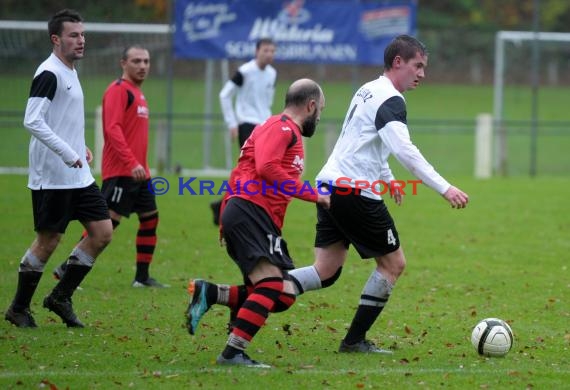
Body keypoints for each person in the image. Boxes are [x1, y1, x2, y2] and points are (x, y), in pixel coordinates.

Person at [287, 35, 470, 353]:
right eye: (418, 66)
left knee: (325, 270)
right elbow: (406, 151)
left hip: (329, 185)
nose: (422, 74)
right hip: (353, 191)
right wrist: (445, 187)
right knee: (393, 264)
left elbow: (366, 139)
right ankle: (354, 341)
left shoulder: (369, 89)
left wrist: (386, 177)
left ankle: (249, 294)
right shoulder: (391, 99)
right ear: (398, 62)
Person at [186, 79, 329, 368]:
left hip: (253, 214)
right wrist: (315, 196)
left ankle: (211, 293)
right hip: (251, 211)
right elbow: (265, 167)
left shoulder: (282, 129)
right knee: (271, 284)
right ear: (311, 106)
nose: (319, 117)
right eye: (320, 111)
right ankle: (232, 353)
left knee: (283, 295)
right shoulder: (282, 127)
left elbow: (251, 170)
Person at [4, 9, 113, 328]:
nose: (81, 41)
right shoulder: (49, 72)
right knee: (48, 241)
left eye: (82, 35)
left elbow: (62, 120)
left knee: (103, 233)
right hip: (52, 176)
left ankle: (60, 297)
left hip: (77, 173)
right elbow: (32, 119)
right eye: (73, 35)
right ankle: (18, 307)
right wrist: (67, 151)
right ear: (56, 39)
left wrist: (79, 146)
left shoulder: (70, 70)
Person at [52, 45, 166, 288]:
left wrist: (142, 166)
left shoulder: (138, 92)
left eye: (146, 61)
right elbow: (112, 130)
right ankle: (66, 269)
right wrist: (131, 162)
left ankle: (142, 278)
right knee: (104, 226)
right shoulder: (118, 91)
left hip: (139, 174)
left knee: (150, 219)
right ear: (123, 63)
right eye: (136, 61)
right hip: (122, 172)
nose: (143, 66)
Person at [210, 38, 277, 225]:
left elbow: (267, 101)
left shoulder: (272, 73)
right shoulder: (245, 71)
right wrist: (232, 123)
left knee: (252, 170)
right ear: (257, 51)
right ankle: (244, 208)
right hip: (246, 125)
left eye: (272, 51)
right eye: (266, 50)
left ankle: (222, 205)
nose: (269, 54)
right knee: (254, 169)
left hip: (264, 126)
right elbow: (224, 95)